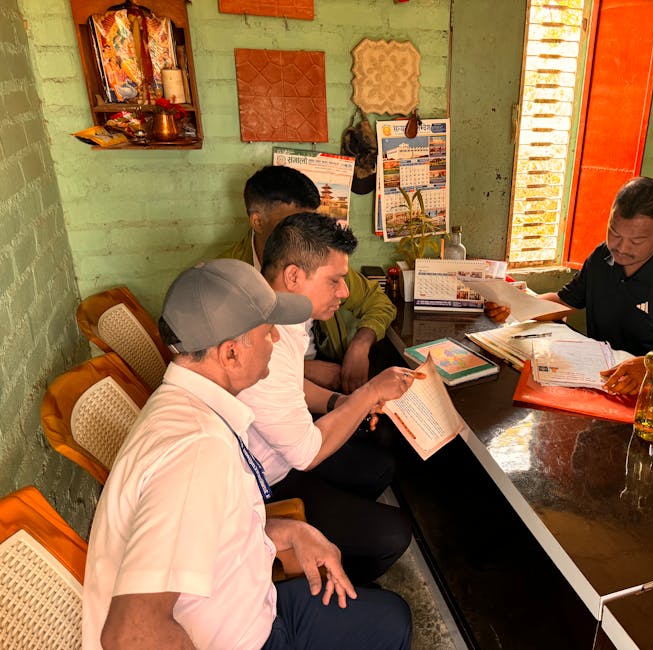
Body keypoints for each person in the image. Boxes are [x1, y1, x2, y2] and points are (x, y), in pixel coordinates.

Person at [82, 259, 411, 650]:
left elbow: (217, 530)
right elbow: (132, 634)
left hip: (252, 603)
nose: (275, 338)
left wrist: (292, 531)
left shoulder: (190, 407)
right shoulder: (195, 452)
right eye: (267, 330)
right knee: (389, 625)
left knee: (392, 617)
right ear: (232, 353)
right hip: (245, 638)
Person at [238, 212, 416, 585]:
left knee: (380, 466)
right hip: (262, 484)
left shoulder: (286, 313)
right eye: (335, 281)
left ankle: (336, 537)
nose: (345, 292)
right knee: (394, 534)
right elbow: (307, 454)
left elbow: (293, 387)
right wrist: (369, 393)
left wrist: (338, 403)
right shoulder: (260, 338)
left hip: (279, 454)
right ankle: (323, 585)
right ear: (293, 276)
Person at [487, 176, 653, 396]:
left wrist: (649, 368)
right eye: (614, 233)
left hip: (650, 399)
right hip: (597, 383)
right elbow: (565, 301)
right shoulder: (602, 257)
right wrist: (514, 306)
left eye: (637, 241)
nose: (621, 248)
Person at [222, 165, 397, 393]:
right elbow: (228, 365)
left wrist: (360, 344)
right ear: (258, 221)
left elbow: (377, 301)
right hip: (268, 390)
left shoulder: (317, 258)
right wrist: (306, 369)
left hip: (328, 381)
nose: (306, 233)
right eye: (293, 224)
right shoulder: (227, 280)